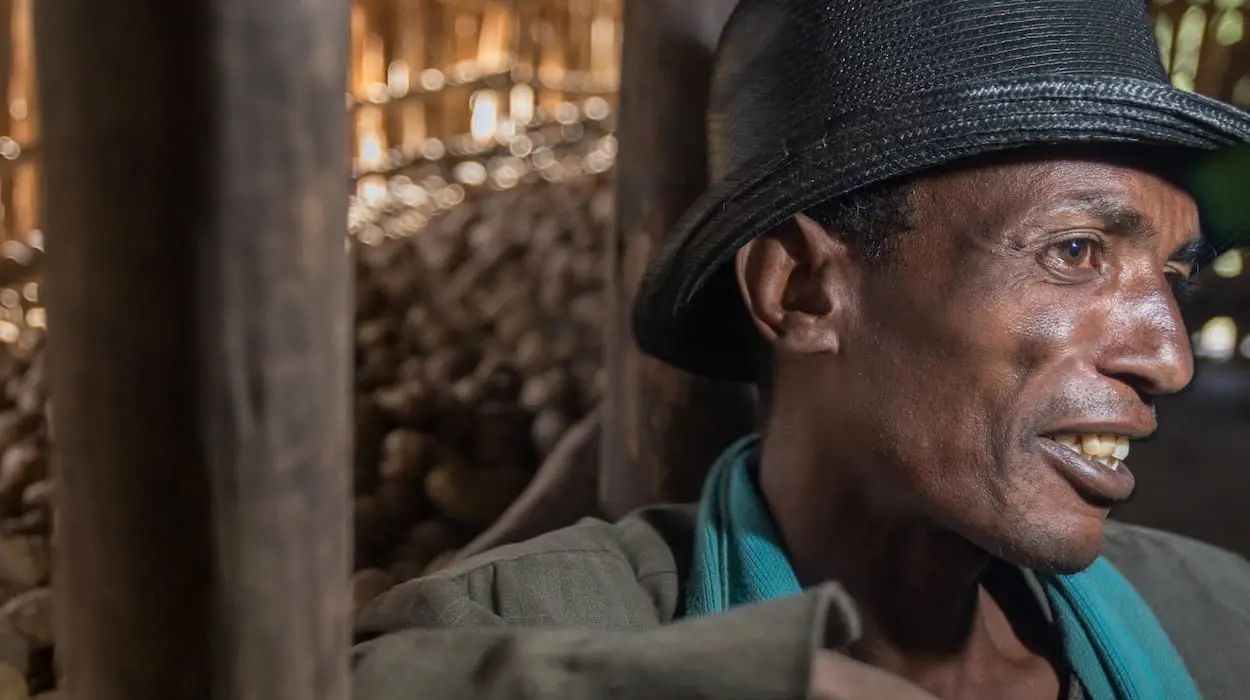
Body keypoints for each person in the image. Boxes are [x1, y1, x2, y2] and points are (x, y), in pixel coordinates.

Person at [352, 0, 1250, 698]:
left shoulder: (1219, 624)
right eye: (1075, 252)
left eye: (1174, 274)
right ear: (803, 291)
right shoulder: (524, 631)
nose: (1167, 360)